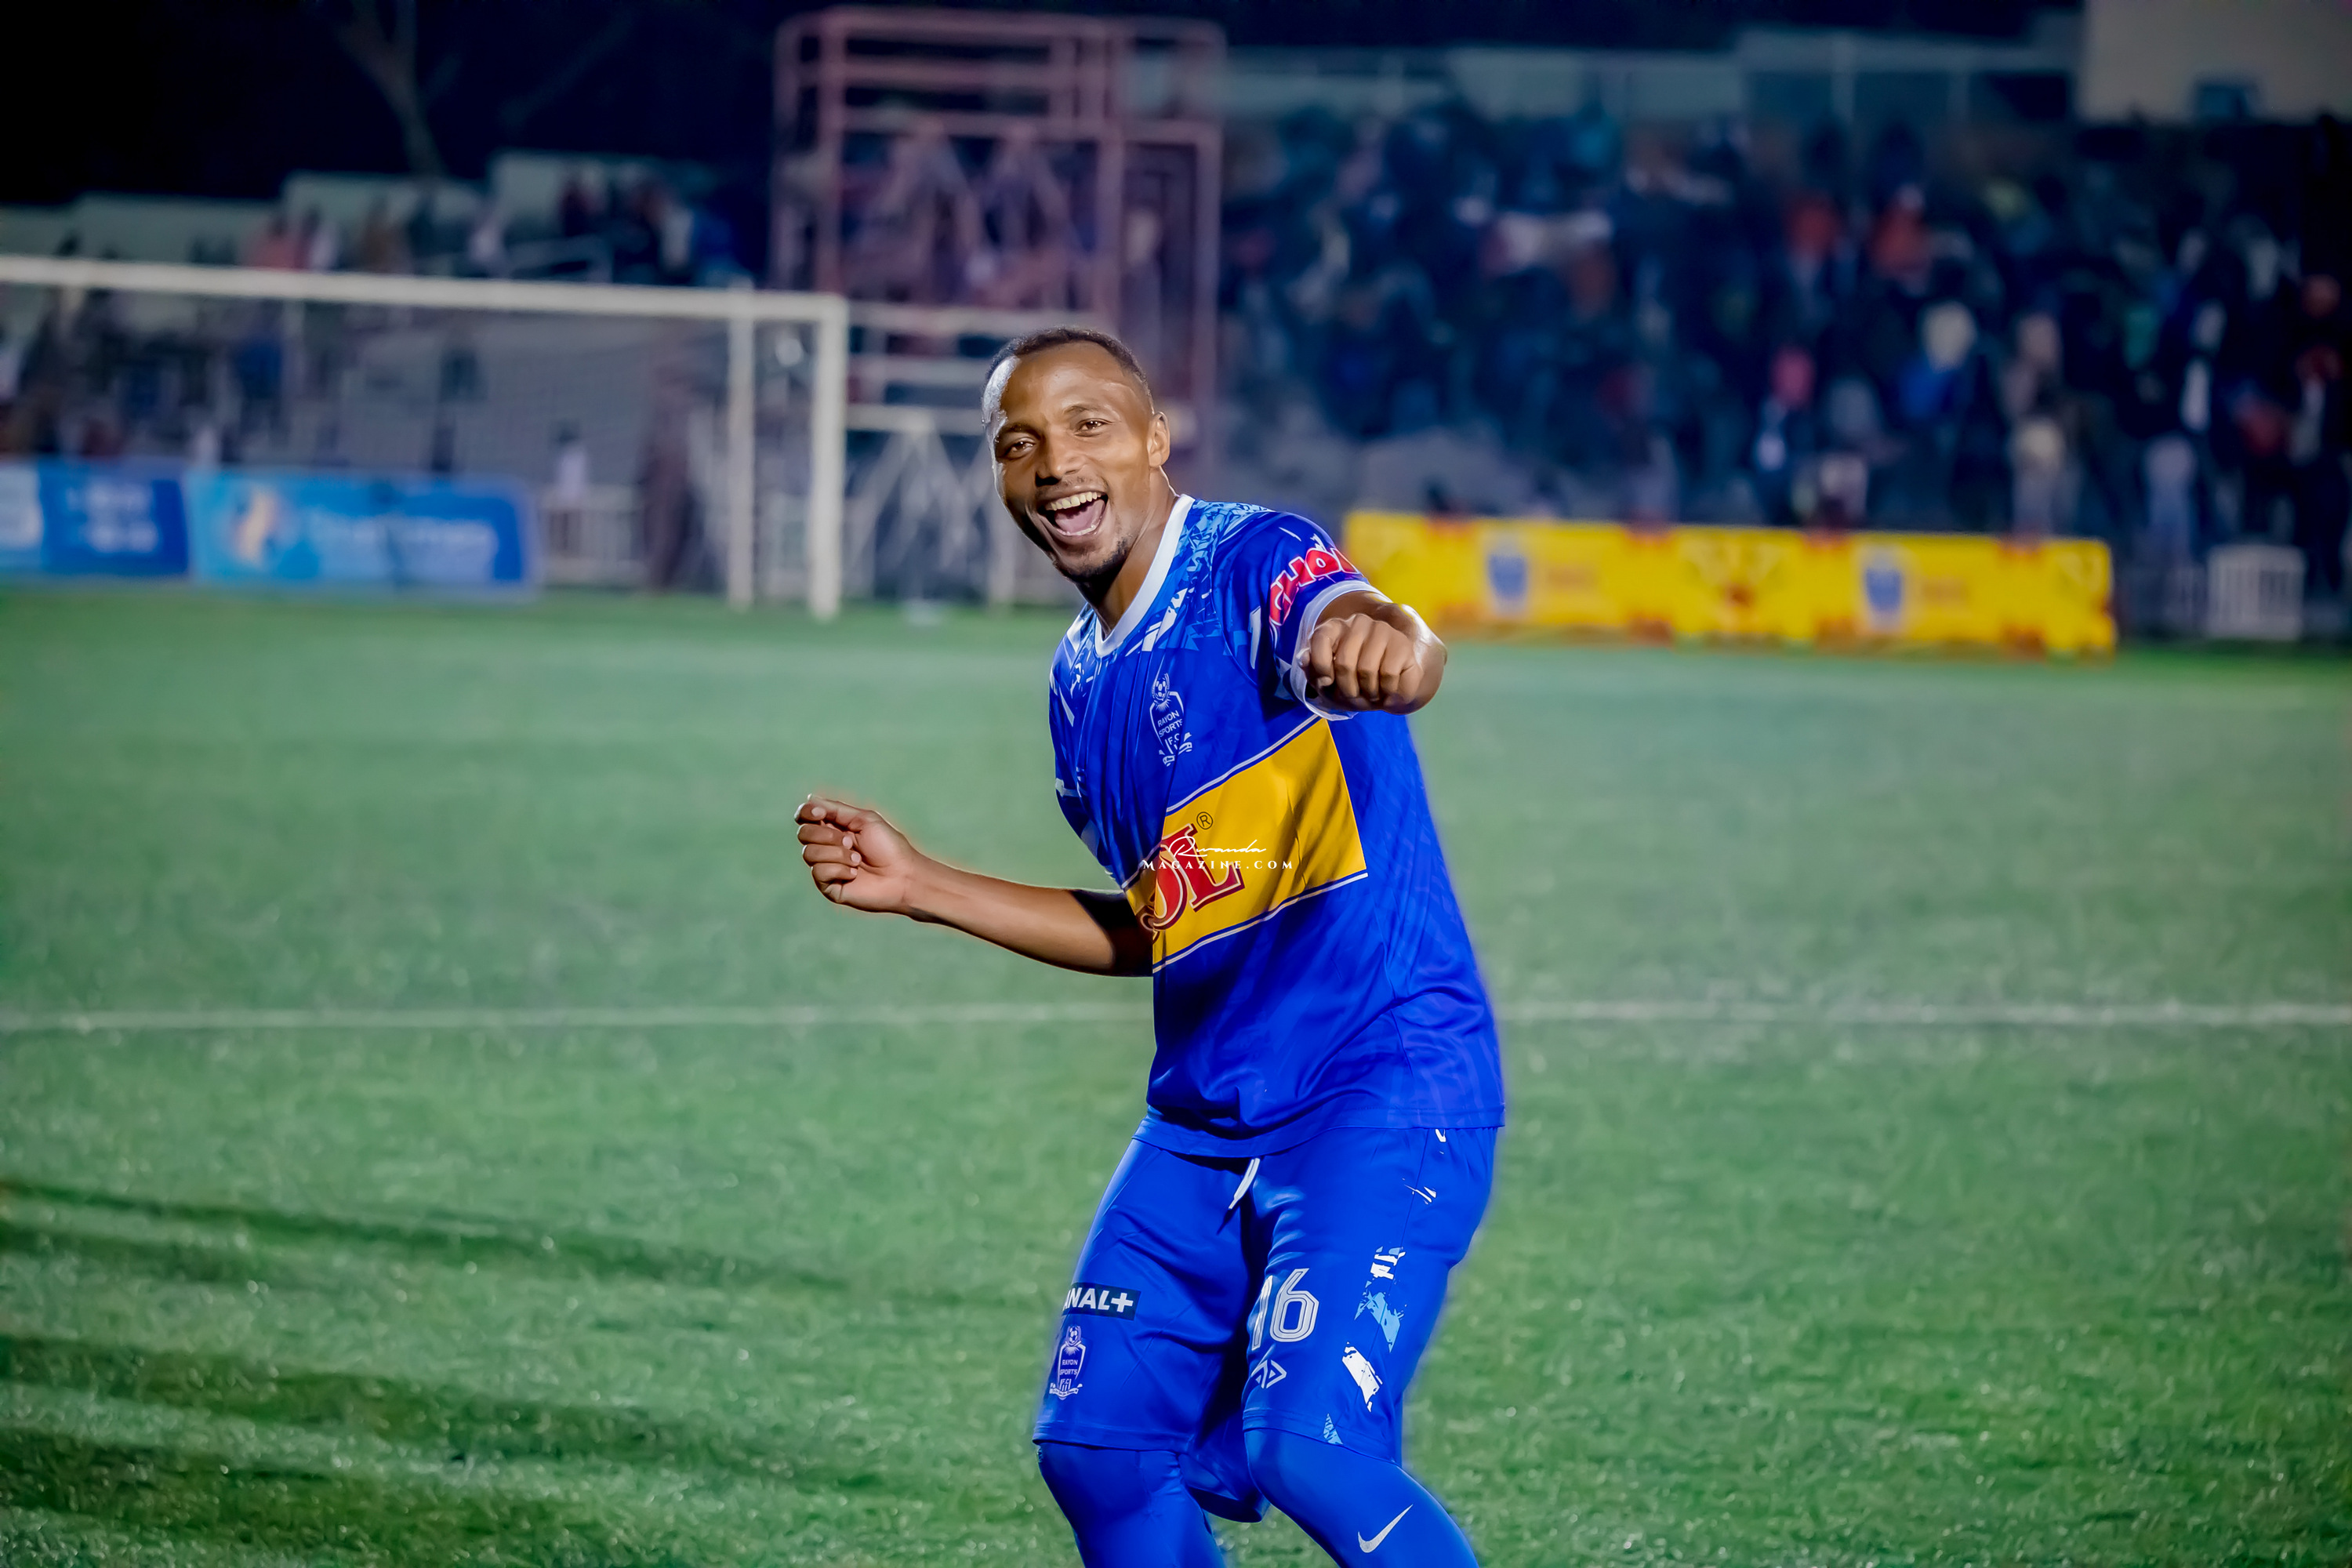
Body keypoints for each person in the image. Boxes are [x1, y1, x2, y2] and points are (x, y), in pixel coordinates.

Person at [795, 327, 1501, 1567]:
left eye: (1089, 426)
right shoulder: (1078, 690)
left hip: (1377, 1087)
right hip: (1206, 1117)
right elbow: (1159, 928)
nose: (1055, 464)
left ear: (1156, 437)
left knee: (1313, 1449)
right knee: (1099, 1452)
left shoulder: (1250, 562)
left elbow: (1364, 618)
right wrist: (923, 886)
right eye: (1020, 443)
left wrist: (1395, 643)